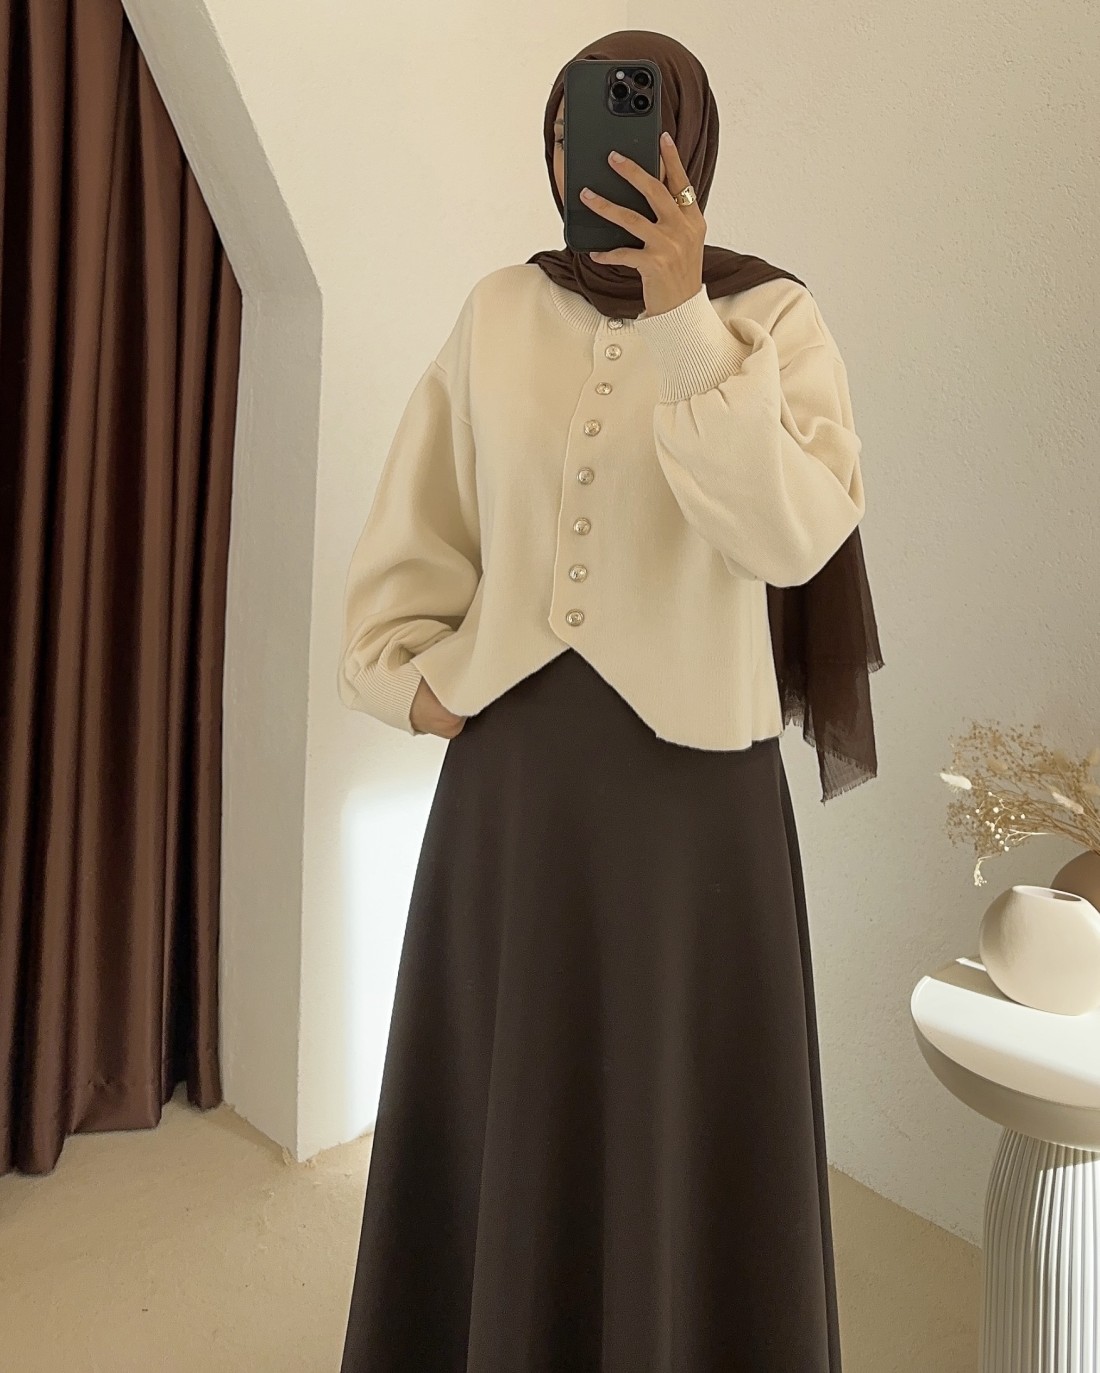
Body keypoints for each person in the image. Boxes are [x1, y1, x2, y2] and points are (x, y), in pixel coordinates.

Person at [337, 28, 882, 1373]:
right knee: (503, 1103)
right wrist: (408, 675)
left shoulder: (773, 322)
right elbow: (424, 518)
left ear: (688, 149)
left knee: (672, 1121)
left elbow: (793, 538)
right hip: (511, 797)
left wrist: (687, 320)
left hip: (693, 815)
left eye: (636, 127)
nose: (593, 156)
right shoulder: (496, 311)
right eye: (573, 129)